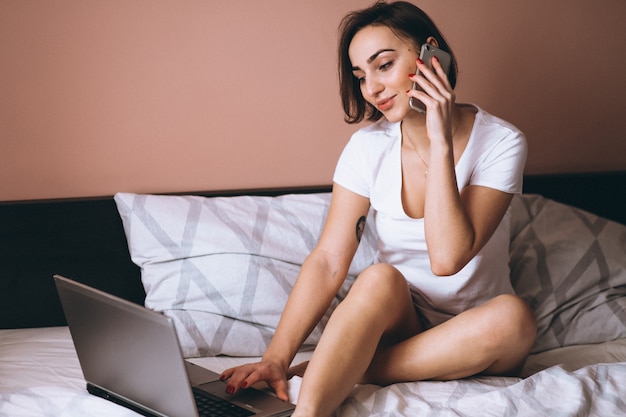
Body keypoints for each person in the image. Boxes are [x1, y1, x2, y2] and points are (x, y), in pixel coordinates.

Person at [220, 1, 537, 416]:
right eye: (360, 76)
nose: (371, 88)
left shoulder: (501, 142)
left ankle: (342, 368)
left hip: (480, 336)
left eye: (383, 65)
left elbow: (447, 259)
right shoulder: (368, 148)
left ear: (431, 56)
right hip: (402, 323)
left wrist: (440, 141)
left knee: (514, 318)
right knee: (378, 278)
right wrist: (276, 358)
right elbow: (329, 260)